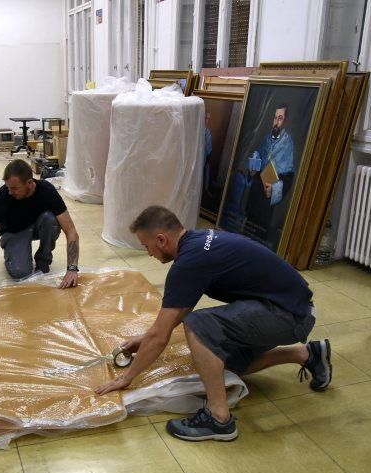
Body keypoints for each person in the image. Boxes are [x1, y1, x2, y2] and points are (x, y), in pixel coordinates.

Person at [95, 206, 331, 442]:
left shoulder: (190, 262)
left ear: (161, 239)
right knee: (225, 366)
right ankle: (307, 354)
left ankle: (218, 418)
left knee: (198, 324)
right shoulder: (197, 243)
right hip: (291, 307)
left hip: (289, 314)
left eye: (147, 246)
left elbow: (162, 335)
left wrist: (127, 378)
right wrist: (144, 339)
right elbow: (173, 315)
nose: (149, 254)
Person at [0, 159, 80, 289]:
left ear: (29, 183)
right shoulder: (4, 195)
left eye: (15, 188)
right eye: (8, 187)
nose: (10, 192)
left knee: (51, 220)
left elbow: (70, 230)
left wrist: (72, 269)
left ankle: (43, 261)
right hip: (13, 231)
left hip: (36, 227)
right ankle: (12, 251)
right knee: (21, 273)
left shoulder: (46, 190)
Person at [221, 104, 295, 249]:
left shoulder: (288, 143)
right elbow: (257, 163)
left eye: (280, 118)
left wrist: (274, 189)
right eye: (275, 118)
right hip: (255, 192)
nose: (276, 121)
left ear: (285, 121)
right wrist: (253, 169)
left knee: (260, 233)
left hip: (268, 195)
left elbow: (289, 176)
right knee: (248, 225)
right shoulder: (267, 138)